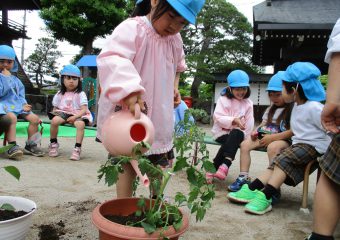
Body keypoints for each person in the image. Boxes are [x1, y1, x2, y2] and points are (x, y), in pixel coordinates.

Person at [96, 0, 205, 198]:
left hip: (160, 112)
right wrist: (129, 90)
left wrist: (174, 86)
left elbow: (178, 67)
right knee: (126, 160)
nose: (174, 26)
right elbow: (113, 58)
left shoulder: (175, 40)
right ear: (154, 1)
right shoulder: (132, 29)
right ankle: (124, 205)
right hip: (130, 112)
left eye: (182, 23)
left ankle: (156, 203)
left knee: (158, 163)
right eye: (171, 16)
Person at [227, 62, 331, 215]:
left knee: (282, 160)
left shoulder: (314, 107)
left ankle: (266, 195)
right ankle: (252, 188)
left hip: (314, 146)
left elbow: (329, 128)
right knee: (277, 162)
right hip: (299, 145)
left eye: (282, 89)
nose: (280, 93)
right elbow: (297, 129)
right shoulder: (297, 106)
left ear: (294, 90)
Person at [228, 72, 293, 192]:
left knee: (273, 147)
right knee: (245, 144)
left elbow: (292, 132)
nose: (274, 98)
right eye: (271, 95)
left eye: (278, 95)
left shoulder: (292, 110)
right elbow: (263, 124)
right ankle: (243, 177)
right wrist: (255, 132)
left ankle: (273, 186)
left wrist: (272, 138)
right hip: (266, 136)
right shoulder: (270, 109)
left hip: (283, 139)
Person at [306, 19, 340, 240]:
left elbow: (339, 48)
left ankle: (320, 236)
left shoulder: (313, 107)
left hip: (312, 147)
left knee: (331, 174)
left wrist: (334, 99)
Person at [206, 70, 254, 184]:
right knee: (232, 138)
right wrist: (233, 120)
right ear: (230, 88)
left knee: (236, 134)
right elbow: (217, 117)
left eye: (243, 88)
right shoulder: (223, 100)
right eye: (237, 89)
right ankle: (225, 164)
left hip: (238, 135)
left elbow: (250, 122)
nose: (241, 92)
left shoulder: (248, 103)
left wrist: (246, 138)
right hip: (221, 132)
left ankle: (215, 168)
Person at [0, 45, 44, 160]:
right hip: (3, 106)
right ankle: (12, 146)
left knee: (34, 119)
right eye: (2, 61)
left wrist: (24, 104)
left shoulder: (16, 80)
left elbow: (20, 95)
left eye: (9, 62)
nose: (5, 65)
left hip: (17, 106)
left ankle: (31, 144)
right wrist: (4, 79)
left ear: (13, 63)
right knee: (12, 118)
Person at [48, 64, 93, 161]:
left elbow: (84, 109)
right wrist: (60, 118)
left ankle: (77, 148)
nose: (71, 81)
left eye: (74, 79)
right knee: (55, 121)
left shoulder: (81, 94)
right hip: (63, 113)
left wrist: (74, 117)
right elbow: (55, 108)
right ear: (63, 79)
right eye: (68, 78)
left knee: (80, 124)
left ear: (79, 80)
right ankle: (53, 143)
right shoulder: (60, 94)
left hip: (78, 113)